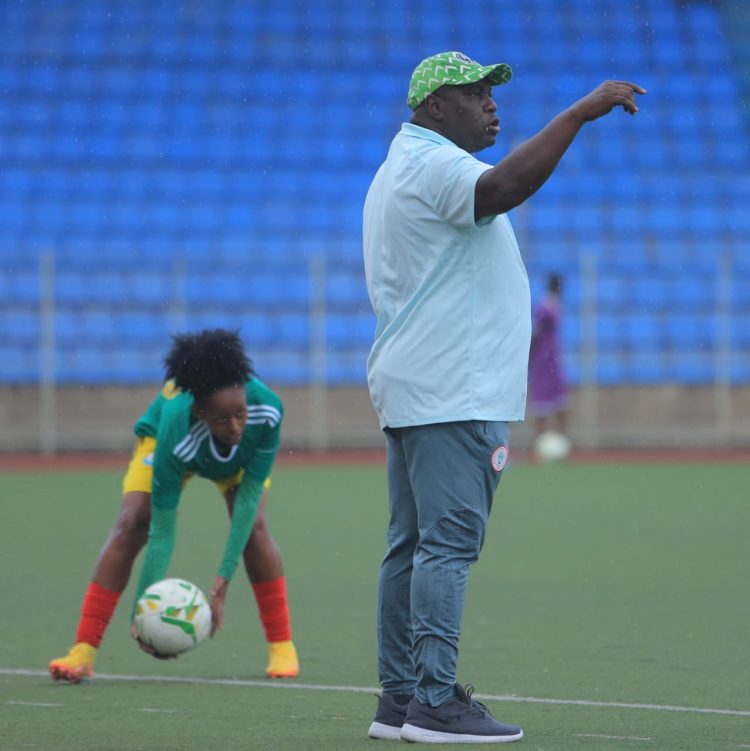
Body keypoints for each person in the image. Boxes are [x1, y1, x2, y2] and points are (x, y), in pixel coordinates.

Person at [363, 51, 644, 743]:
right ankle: (433, 702)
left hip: (423, 384)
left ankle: (401, 697)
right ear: (435, 107)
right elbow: (504, 187)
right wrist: (579, 113)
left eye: (493, 93)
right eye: (476, 93)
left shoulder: (408, 162)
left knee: (413, 546)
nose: (491, 104)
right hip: (453, 389)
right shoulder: (435, 163)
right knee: (446, 547)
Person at [49, 328, 299, 683]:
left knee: (255, 528)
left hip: (235, 463)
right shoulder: (175, 430)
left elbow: (248, 499)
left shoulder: (268, 411)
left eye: (240, 413)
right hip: (175, 448)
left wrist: (222, 582)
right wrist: (143, 610)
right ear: (199, 411)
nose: (235, 426)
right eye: (222, 418)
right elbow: (162, 531)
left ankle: (282, 646)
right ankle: (83, 652)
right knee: (132, 522)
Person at [528, 273, 570, 438]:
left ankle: (549, 439)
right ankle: (546, 439)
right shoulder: (547, 307)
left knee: (552, 398)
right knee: (545, 398)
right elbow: (538, 332)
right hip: (546, 356)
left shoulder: (549, 305)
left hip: (549, 356)